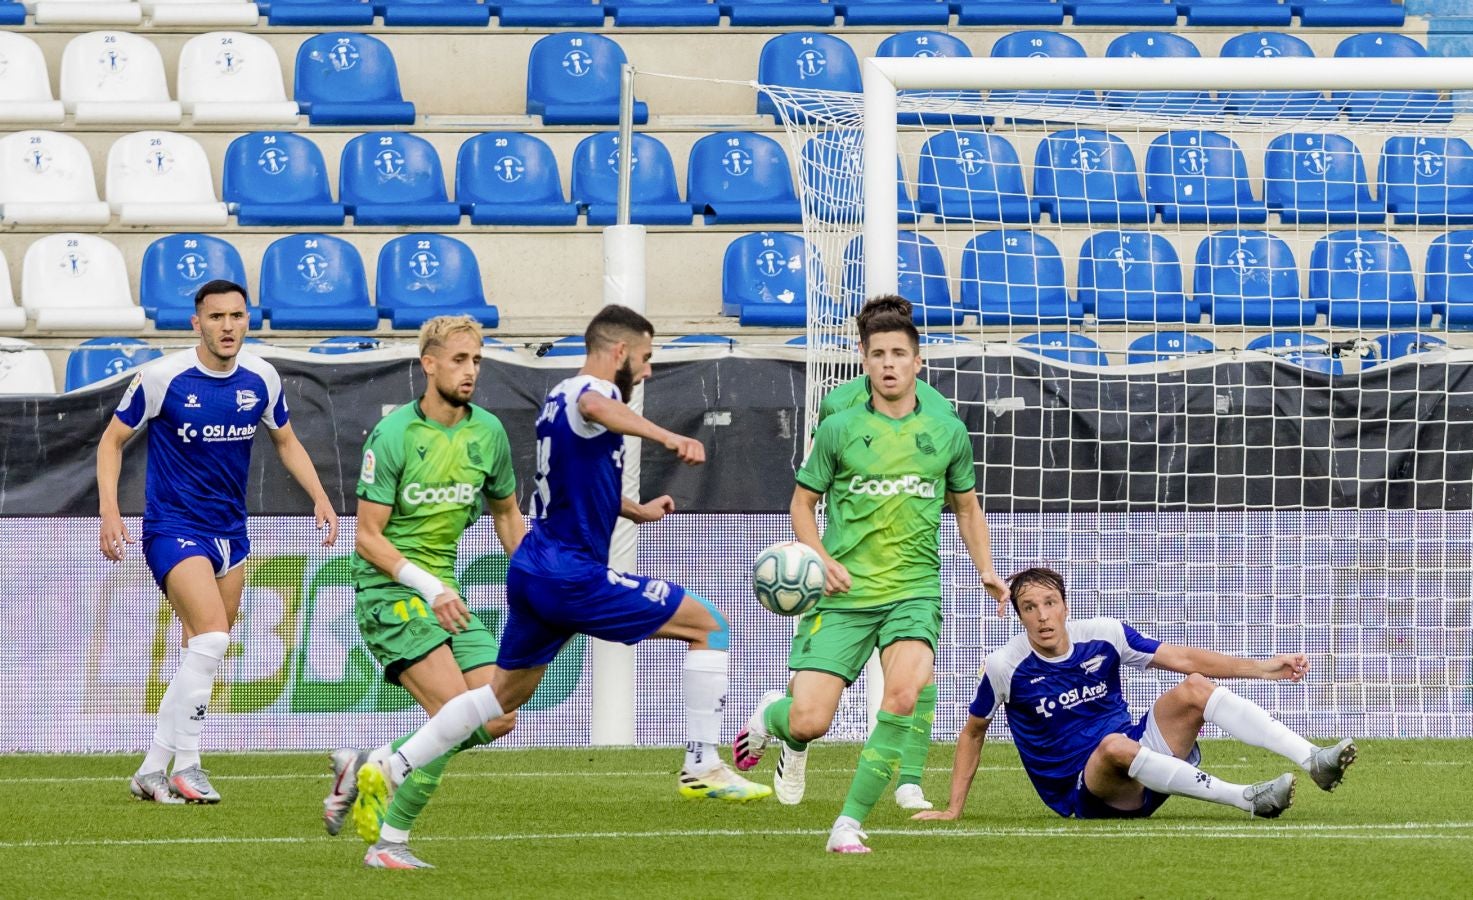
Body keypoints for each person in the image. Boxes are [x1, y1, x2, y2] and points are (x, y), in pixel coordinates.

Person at [349, 304, 770, 850]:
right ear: (618, 352)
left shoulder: (553, 398)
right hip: (569, 572)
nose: (645, 373)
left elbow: (566, 481)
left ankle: (387, 765)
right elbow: (600, 404)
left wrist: (631, 510)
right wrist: (668, 438)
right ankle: (702, 764)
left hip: (534, 564)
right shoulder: (595, 393)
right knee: (710, 625)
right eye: (643, 360)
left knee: (499, 703)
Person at [730, 300, 1008, 854]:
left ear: (918, 362)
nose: (888, 364)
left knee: (904, 694)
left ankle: (849, 822)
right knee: (809, 720)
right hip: (845, 593)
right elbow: (802, 504)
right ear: (863, 359)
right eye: (878, 354)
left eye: (898, 354)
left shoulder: (947, 430)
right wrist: (820, 559)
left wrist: (987, 571)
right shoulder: (838, 426)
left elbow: (968, 506)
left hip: (914, 590)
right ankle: (771, 718)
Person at [97, 279, 338, 804]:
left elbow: (286, 440)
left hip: (233, 534)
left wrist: (320, 496)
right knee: (212, 639)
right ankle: (190, 764)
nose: (227, 326)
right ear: (196, 323)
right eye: (216, 317)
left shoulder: (263, 377)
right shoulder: (163, 377)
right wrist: (110, 510)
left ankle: (152, 767)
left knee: (199, 650)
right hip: (173, 529)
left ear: (247, 320)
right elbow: (112, 441)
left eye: (236, 316)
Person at [913, 566, 1358, 825]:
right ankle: (1246, 797)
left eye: (1050, 603)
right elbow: (973, 732)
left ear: (1066, 605)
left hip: (1145, 761)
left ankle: (1313, 759)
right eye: (1029, 608)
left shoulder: (1104, 635)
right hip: (1088, 793)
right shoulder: (1004, 666)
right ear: (1018, 615)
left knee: (1195, 688)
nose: (1042, 616)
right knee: (1112, 746)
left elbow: (1183, 658)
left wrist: (1262, 668)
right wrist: (954, 808)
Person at [319, 315, 524, 869]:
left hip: (445, 593)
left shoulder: (489, 433)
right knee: (456, 709)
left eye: (477, 360)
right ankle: (390, 844)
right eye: (459, 360)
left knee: (498, 713)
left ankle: (370, 764)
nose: (471, 371)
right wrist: (428, 586)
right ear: (428, 363)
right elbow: (367, 538)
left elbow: (506, 512)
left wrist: (532, 581)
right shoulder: (394, 436)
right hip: (392, 592)